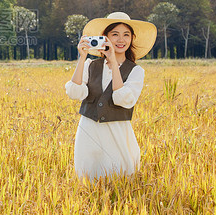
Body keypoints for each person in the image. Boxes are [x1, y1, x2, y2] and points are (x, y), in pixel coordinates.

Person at [65, 12, 157, 181]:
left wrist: (114, 63)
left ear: (132, 39)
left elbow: (124, 99)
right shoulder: (90, 65)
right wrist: (82, 57)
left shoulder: (136, 71)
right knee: (88, 181)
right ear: (105, 38)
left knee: (120, 179)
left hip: (117, 133)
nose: (121, 40)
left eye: (126, 35)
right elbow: (74, 92)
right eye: (115, 34)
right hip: (89, 132)